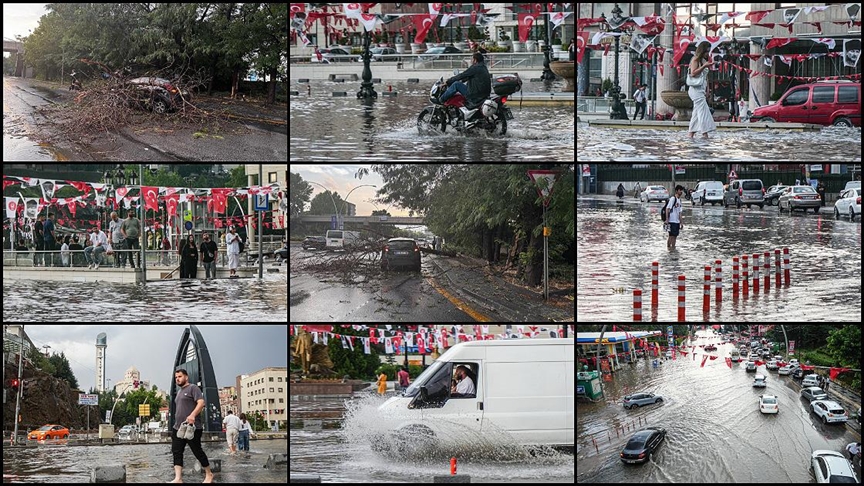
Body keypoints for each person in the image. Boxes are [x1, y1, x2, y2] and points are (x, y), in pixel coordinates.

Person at [170, 369, 213, 483]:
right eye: (176, 377)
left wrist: (192, 415)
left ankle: (209, 474)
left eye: (179, 376)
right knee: (177, 452)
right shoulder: (179, 392)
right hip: (178, 427)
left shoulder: (193, 388)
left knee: (197, 451)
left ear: (186, 377)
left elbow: (201, 403)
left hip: (192, 427)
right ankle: (178, 478)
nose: (177, 379)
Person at [687, 42, 717, 139]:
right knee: (703, 111)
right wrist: (704, 66)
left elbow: (705, 77)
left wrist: (708, 89)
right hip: (695, 90)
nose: (707, 53)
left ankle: (691, 134)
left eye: (708, 51)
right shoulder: (695, 60)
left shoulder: (704, 60)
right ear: (702, 50)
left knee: (696, 113)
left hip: (701, 89)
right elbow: (693, 73)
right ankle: (705, 134)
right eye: (706, 51)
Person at [665, 185, 685, 251]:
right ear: (676, 191)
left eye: (681, 190)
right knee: (671, 236)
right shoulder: (673, 199)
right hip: (671, 221)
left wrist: (681, 223)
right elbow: (667, 209)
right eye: (680, 190)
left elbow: (680, 213)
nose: (681, 192)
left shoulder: (679, 200)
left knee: (675, 236)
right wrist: (667, 220)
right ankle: (668, 249)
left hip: (677, 222)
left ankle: (673, 249)